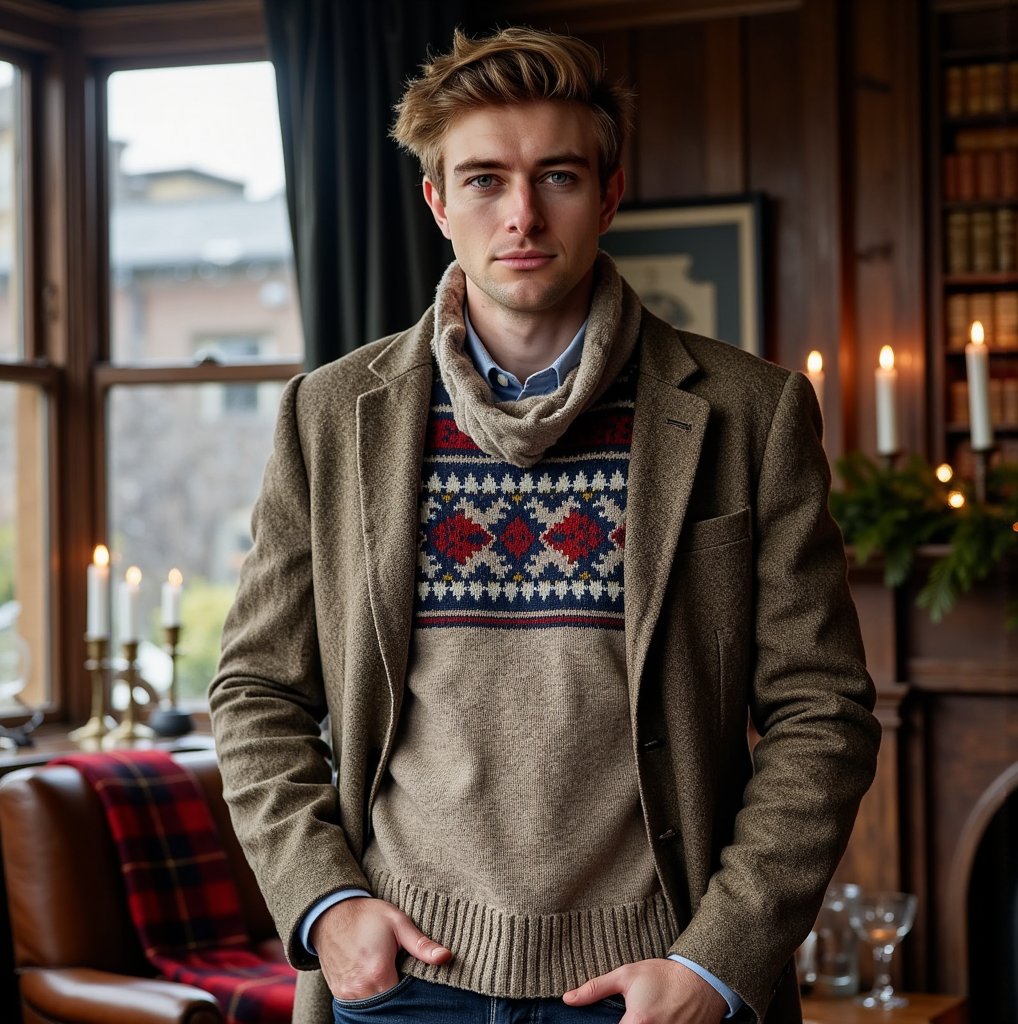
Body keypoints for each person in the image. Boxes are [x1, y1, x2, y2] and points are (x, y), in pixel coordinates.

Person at [209, 25, 880, 1024]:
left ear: (607, 194)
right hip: (399, 981)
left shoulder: (750, 412)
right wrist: (326, 900)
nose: (520, 214)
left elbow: (821, 712)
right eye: (483, 179)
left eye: (555, 175)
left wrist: (715, 960)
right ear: (437, 201)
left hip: (652, 981)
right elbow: (256, 689)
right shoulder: (329, 415)